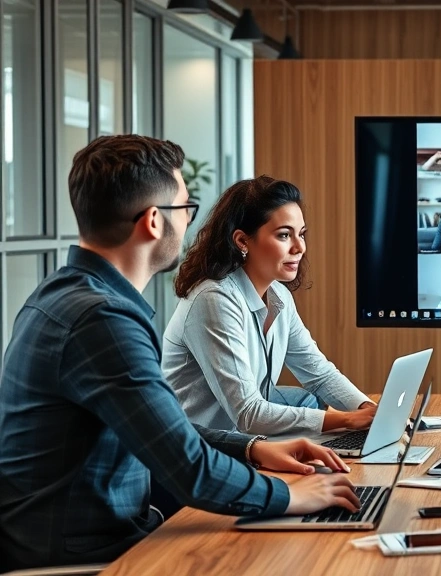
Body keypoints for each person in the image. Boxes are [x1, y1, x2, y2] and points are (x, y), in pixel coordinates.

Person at [0, 135, 359, 572]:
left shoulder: (66, 296)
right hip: (87, 555)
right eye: (185, 208)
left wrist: (251, 450)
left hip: (104, 532)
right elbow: (188, 468)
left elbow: (165, 429)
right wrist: (290, 495)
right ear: (154, 221)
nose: (189, 222)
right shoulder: (102, 320)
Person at [163, 176, 377, 437]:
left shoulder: (278, 295)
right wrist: (346, 419)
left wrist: (369, 410)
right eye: (284, 235)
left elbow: (318, 373)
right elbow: (249, 414)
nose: (299, 247)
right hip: (202, 453)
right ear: (242, 241)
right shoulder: (213, 299)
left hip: (249, 443)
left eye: (301, 234)